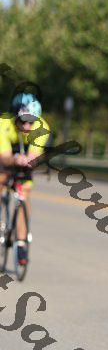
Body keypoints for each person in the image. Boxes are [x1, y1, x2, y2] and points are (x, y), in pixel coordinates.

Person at [0, 92, 51, 264]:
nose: (27, 126)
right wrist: (14, 160)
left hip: (25, 153)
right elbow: (5, 157)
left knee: (24, 193)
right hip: (5, 154)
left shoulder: (41, 128)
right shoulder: (3, 124)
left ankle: (21, 242)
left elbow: (33, 156)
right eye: (23, 121)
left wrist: (29, 161)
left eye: (31, 121)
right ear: (14, 117)